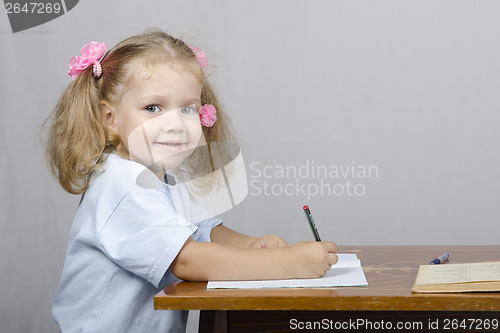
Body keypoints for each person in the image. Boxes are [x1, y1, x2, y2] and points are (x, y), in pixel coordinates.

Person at [46, 29, 338, 333]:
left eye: (187, 108)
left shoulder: (160, 178)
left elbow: (203, 231)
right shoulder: (123, 183)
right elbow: (186, 260)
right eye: (152, 108)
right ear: (110, 118)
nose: (174, 124)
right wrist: (287, 265)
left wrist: (253, 245)